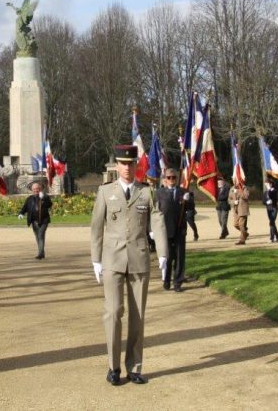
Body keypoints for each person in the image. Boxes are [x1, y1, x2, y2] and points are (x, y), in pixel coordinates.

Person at [90, 144, 168, 386]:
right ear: (117, 165)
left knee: (138, 315)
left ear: (136, 165)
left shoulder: (146, 192)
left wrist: (163, 253)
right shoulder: (105, 192)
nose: (126, 168)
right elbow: (96, 227)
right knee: (113, 312)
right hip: (112, 259)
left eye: (130, 163)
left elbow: (158, 221)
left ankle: (134, 367)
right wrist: (95, 258)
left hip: (138, 258)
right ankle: (113, 367)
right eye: (123, 163)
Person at [156, 168, 194, 292]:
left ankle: (178, 282)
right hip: (165, 229)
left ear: (177, 179)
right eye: (169, 177)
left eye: (174, 177)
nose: (171, 179)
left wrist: (188, 201)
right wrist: (153, 229)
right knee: (167, 257)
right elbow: (155, 212)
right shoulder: (159, 193)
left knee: (179, 257)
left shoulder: (183, 191)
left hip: (179, 229)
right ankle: (166, 280)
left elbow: (191, 208)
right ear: (165, 179)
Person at [18, 182, 53, 259]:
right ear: (32, 190)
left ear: (40, 189)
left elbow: (49, 205)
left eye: (37, 189)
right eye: (34, 189)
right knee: (37, 237)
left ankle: (40, 253)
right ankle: (41, 252)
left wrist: (43, 198)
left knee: (40, 235)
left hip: (44, 220)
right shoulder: (29, 199)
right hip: (34, 221)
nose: (35, 190)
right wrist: (21, 213)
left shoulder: (45, 197)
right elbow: (25, 207)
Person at [262, 178, 278, 242]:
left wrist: (269, 189)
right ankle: (277, 237)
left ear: (271, 184)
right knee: (272, 222)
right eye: (266, 184)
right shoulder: (265, 192)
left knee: (271, 222)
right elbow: (263, 201)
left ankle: (271, 238)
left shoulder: (274, 190)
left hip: (274, 208)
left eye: (268, 183)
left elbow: (271, 195)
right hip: (268, 209)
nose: (266, 185)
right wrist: (266, 202)